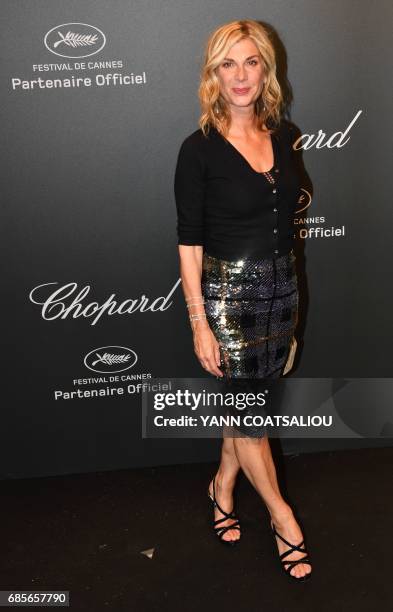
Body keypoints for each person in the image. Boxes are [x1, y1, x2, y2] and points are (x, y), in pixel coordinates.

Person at [174, 20, 312, 581]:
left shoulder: (284, 135)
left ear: (266, 71)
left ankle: (222, 484)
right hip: (230, 302)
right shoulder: (198, 149)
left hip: (283, 295)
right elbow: (189, 244)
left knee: (245, 411)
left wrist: (292, 304)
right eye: (227, 63)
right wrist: (200, 324)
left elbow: (287, 223)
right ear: (214, 74)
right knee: (251, 418)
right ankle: (284, 519)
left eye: (250, 62)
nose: (240, 75)